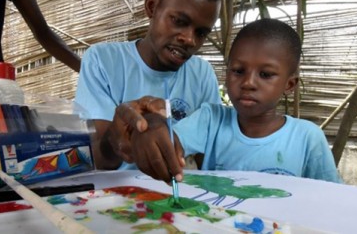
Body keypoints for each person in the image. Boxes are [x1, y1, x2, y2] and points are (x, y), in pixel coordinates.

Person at [124, 18, 343, 184]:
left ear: (289, 85)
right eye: (238, 71)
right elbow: (170, 141)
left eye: (265, 74)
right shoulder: (211, 120)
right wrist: (153, 128)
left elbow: (331, 197)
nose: (248, 82)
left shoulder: (307, 138)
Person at [74, 0, 227, 170]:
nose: (190, 39)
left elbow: (208, 159)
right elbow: (97, 157)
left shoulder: (202, 74)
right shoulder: (103, 61)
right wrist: (116, 137)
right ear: (152, 6)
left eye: (201, 33)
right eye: (179, 21)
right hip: (121, 197)